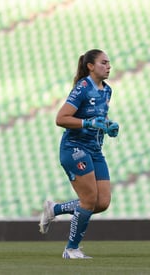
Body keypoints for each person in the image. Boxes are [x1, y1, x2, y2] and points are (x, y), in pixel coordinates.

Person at [39, 49, 119, 259]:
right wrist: (87, 123)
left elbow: (99, 116)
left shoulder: (107, 91)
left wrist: (109, 126)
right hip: (75, 147)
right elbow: (61, 118)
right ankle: (71, 249)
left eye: (109, 62)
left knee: (102, 202)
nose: (108, 66)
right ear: (90, 66)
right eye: (103, 62)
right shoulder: (83, 87)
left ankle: (54, 209)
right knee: (89, 199)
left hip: (95, 149)